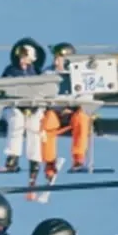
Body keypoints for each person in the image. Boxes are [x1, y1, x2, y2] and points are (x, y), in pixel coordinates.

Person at [41, 42, 92, 174]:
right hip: (55, 111)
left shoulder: (80, 73)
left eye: (60, 58)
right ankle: (49, 162)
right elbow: (42, 94)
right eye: (55, 57)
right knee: (48, 122)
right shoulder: (48, 73)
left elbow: (87, 96)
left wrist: (73, 106)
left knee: (82, 119)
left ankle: (78, 158)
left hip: (73, 112)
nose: (57, 61)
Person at [0, 37, 47, 180]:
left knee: (34, 126)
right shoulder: (11, 71)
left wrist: (39, 106)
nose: (22, 60)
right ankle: (12, 157)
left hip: (33, 107)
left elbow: (44, 92)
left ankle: (34, 161)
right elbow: (1, 89)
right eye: (20, 56)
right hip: (14, 106)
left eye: (25, 56)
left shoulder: (38, 73)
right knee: (17, 122)